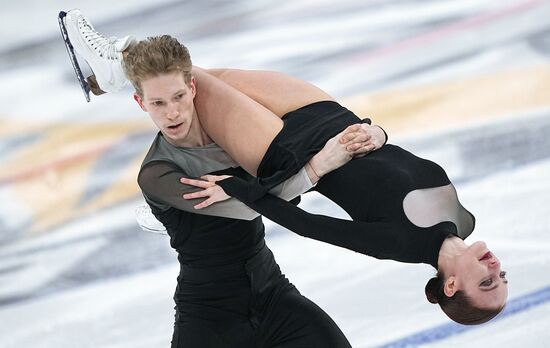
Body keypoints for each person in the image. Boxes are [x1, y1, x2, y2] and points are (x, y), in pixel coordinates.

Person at [63, 9, 507, 327]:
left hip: (283, 149)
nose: (496, 270)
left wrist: (239, 190)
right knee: (210, 77)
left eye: (487, 284)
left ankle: (119, 63)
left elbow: (305, 223)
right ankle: (109, 78)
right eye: (502, 277)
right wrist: (380, 135)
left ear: (451, 287)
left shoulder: (403, 244)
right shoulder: (463, 218)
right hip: (329, 115)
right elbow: (399, 163)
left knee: (188, 82)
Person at [63, 9, 388, 348]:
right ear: (140, 103)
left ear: (193, 88)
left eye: (178, 96)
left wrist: (376, 132)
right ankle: (120, 69)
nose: (172, 112)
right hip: (210, 319)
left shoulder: (236, 134)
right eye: (158, 103)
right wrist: (318, 166)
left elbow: (310, 120)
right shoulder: (157, 173)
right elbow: (246, 207)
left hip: (273, 295)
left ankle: (118, 69)